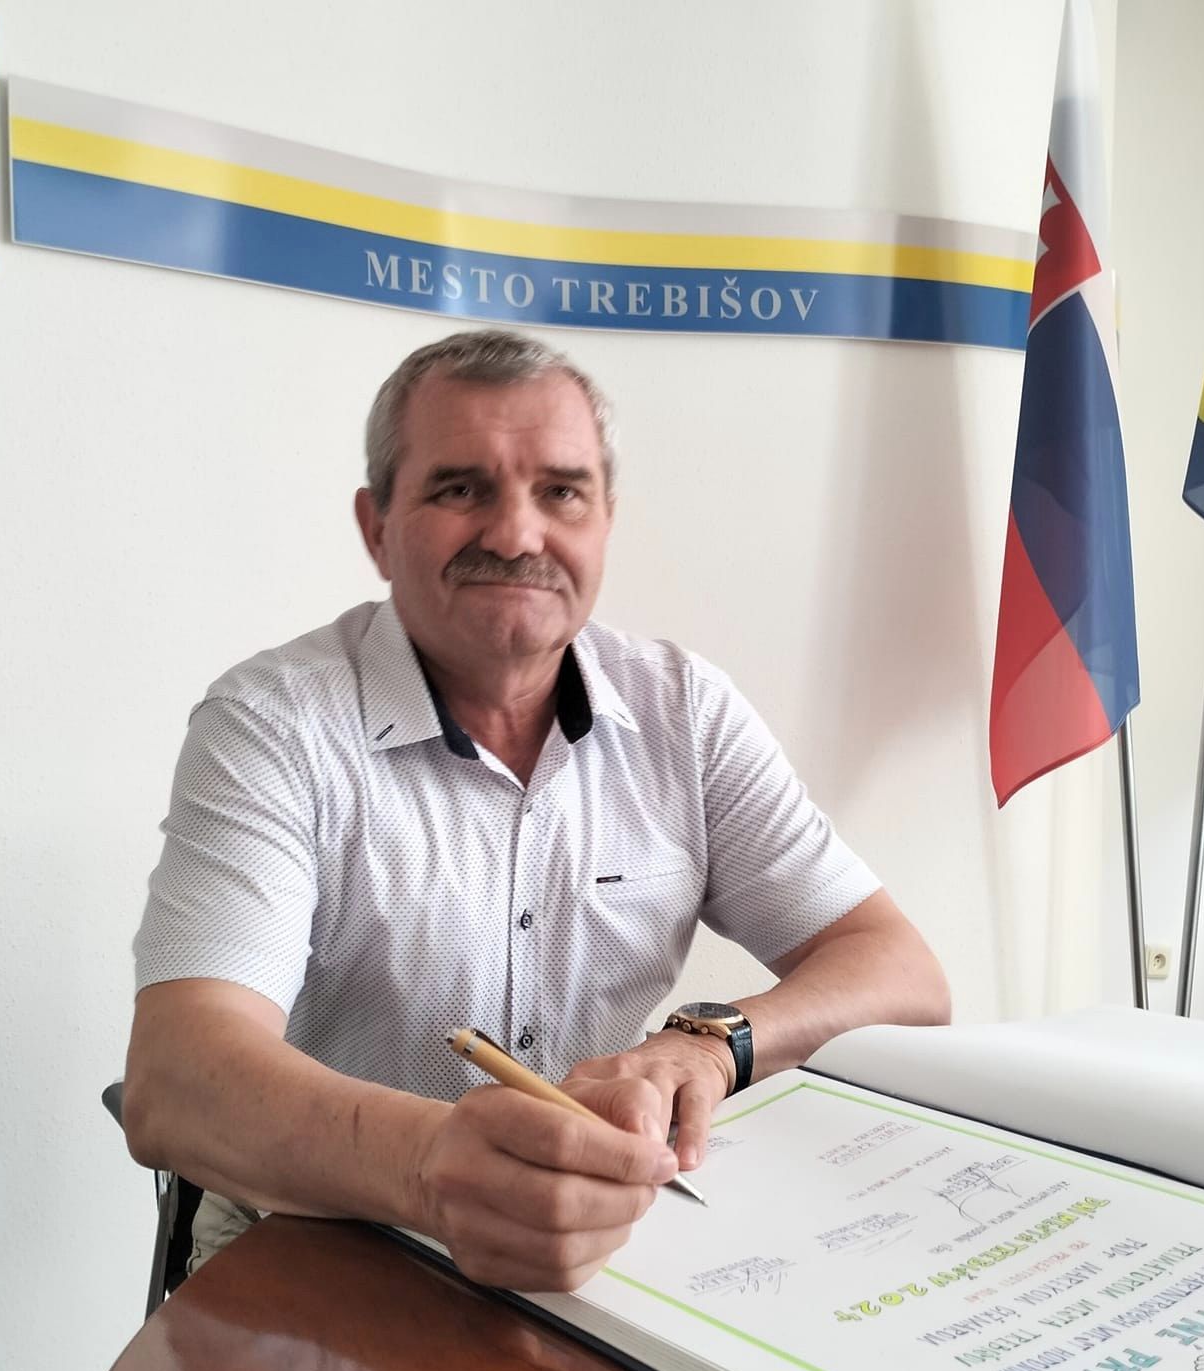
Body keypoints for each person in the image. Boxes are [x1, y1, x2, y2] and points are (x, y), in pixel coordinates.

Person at [123, 328, 950, 1292]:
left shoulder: (684, 712)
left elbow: (902, 974)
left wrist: (713, 1045)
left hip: (596, 1243)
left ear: (605, 522)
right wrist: (430, 1166)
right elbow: (176, 1080)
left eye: (561, 492)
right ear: (377, 527)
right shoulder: (273, 725)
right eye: (460, 489)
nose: (517, 536)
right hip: (316, 1244)